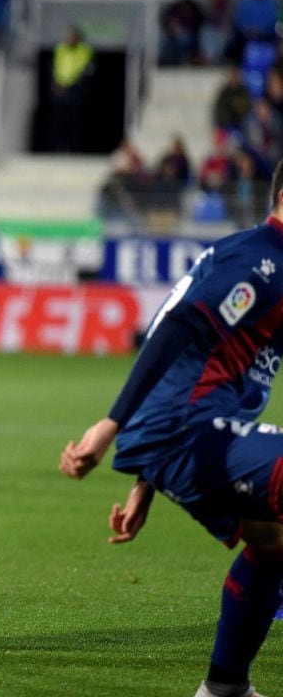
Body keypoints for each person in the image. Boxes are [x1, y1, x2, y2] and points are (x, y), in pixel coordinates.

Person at [60, 159, 283, 697]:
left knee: (272, 541)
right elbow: (180, 325)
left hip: (183, 433)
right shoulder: (263, 260)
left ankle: (225, 687)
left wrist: (147, 477)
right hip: (182, 428)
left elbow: (196, 355)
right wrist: (112, 425)